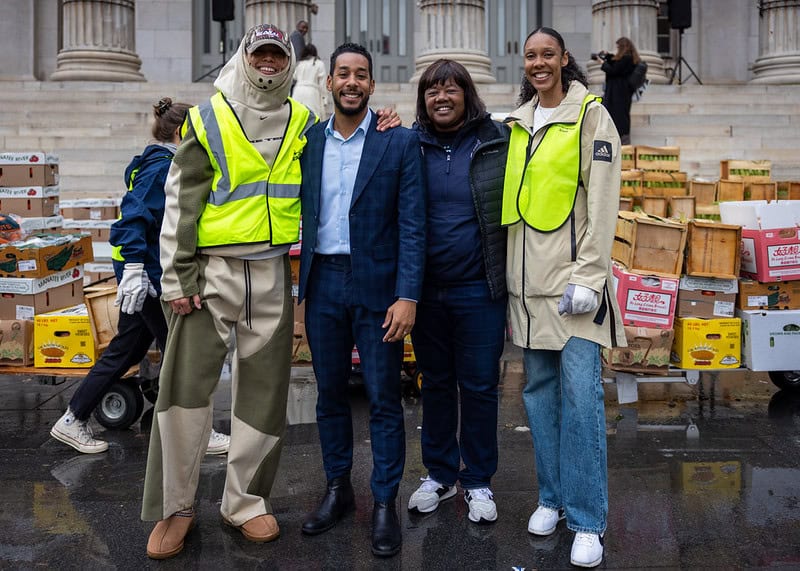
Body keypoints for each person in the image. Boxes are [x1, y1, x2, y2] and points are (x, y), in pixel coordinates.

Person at [140, 25, 399, 561]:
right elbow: (179, 203)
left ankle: (245, 502)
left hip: (274, 274)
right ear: (244, 57)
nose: (266, 64)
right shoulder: (207, 117)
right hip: (212, 274)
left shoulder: (305, 121)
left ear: (288, 63)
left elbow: (350, 136)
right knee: (184, 394)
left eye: (275, 55)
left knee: (262, 398)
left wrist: (384, 121)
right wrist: (176, 278)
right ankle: (176, 507)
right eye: (258, 54)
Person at [501, 27, 625, 568]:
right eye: (530, 56)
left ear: (564, 59)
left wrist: (590, 276)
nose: (538, 63)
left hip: (573, 288)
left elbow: (602, 202)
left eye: (547, 54)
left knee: (581, 404)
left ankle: (588, 518)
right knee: (540, 396)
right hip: (526, 290)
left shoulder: (591, 115)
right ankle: (551, 497)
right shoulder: (518, 121)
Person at [297, 42, 425, 558]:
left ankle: (383, 502)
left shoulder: (398, 142)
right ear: (329, 83)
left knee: (383, 399)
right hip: (323, 281)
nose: (352, 82)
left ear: (372, 86)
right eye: (343, 74)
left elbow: (413, 225)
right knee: (329, 396)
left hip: (378, 288)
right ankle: (337, 490)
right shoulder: (306, 143)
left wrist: (407, 295)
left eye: (361, 75)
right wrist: (300, 296)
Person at [49, 97, 230, 458]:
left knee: (126, 350)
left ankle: (73, 418)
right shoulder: (163, 167)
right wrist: (133, 269)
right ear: (183, 132)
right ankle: (196, 434)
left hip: (145, 276)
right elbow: (132, 216)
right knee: (182, 354)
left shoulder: (155, 163)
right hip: (150, 278)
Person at [405, 59, 508, 524]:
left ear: (467, 93)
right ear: (423, 100)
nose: (441, 98)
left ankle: (479, 479)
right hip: (425, 293)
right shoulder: (409, 144)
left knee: (481, 387)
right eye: (432, 91)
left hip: (478, 290)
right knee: (437, 384)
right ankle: (441, 474)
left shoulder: (495, 142)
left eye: (450, 89)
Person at [592, 36, 639, 144]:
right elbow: (616, 63)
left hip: (619, 92)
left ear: (623, 47)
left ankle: (622, 140)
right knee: (618, 114)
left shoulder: (627, 58)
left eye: (618, 47)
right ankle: (619, 138)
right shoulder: (628, 58)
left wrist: (602, 63)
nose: (617, 49)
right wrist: (607, 55)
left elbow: (614, 70)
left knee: (619, 116)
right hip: (619, 92)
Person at [292, 43, 329, 118]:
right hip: (312, 92)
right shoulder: (319, 64)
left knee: (297, 115)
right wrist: (325, 98)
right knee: (313, 116)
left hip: (298, 91)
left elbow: (294, 76)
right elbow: (322, 84)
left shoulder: (299, 63)